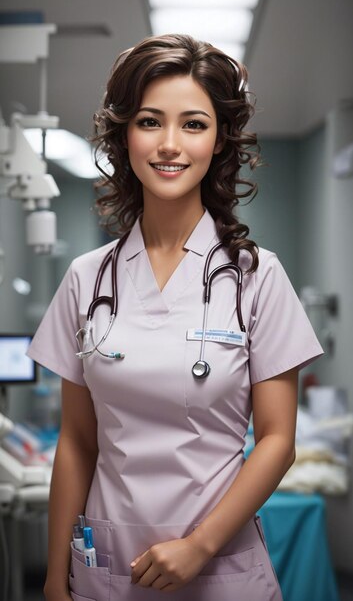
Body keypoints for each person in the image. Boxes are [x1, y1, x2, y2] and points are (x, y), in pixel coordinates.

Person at [28, 34, 323, 601]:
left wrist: (201, 545)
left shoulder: (258, 277)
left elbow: (278, 440)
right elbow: (77, 442)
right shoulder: (86, 280)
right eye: (148, 121)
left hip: (221, 567)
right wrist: (52, 573)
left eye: (193, 124)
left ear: (219, 141)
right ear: (124, 136)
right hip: (107, 566)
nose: (169, 144)